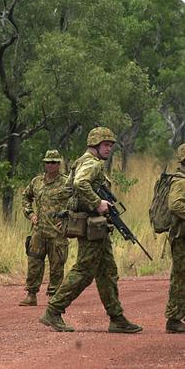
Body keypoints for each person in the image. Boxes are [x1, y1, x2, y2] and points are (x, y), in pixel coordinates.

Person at [39, 127, 142, 333]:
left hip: (96, 226)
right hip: (91, 225)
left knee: (107, 271)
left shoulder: (81, 162)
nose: (109, 149)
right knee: (85, 271)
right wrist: (97, 203)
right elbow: (79, 183)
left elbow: (69, 188)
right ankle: (53, 309)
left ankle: (117, 317)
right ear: (94, 145)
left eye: (111, 145)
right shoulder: (91, 163)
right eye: (106, 145)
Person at [19, 150, 70, 306]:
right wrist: (30, 214)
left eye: (53, 162)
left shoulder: (67, 183)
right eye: (48, 162)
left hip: (57, 232)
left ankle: (54, 296)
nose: (50, 165)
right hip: (39, 230)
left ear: (59, 164)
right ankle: (31, 294)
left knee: (57, 264)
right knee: (34, 262)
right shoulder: (37, 182)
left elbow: (77, 202)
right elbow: (25, 196)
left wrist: (68, 219)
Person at [165, 143, 185, 333]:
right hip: (181, 239)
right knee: (180, 277)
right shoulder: (180, 181)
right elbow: (175, 205)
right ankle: (173, 319)